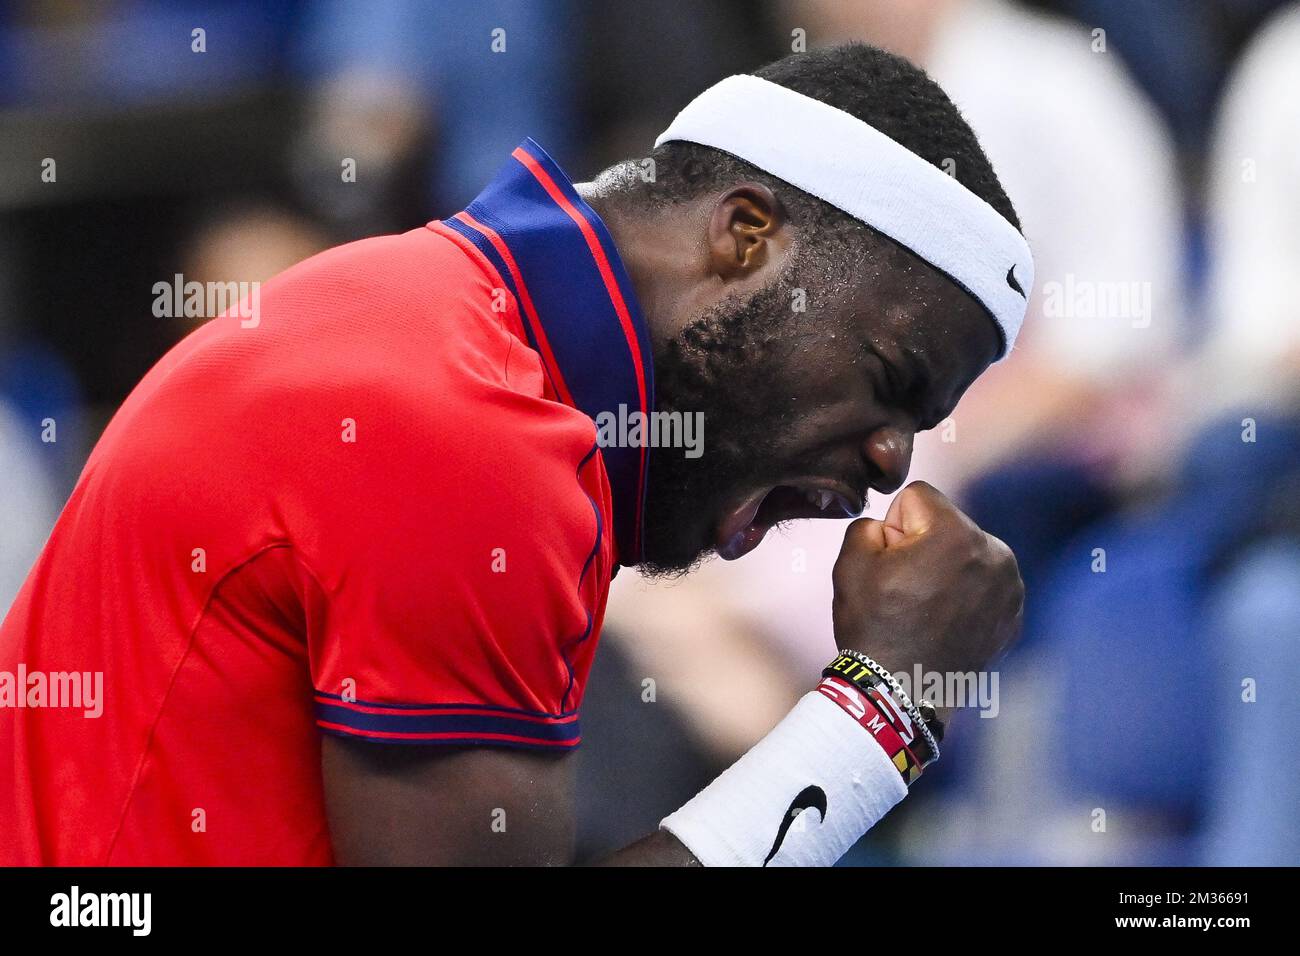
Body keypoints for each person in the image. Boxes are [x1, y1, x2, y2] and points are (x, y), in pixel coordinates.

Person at [0, 44, 1026, 866]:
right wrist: (879, 711)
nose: (893, 461)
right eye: (891, 375)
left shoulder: (432, 315)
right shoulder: (470, 426)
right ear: (745, 235)